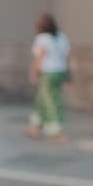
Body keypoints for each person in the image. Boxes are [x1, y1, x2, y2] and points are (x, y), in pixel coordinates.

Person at [26, 13, 70, 142]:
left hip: (48, 72)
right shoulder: (62, 37)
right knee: (42, 99)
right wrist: (67, 72)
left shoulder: (42, 38)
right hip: (59, 71)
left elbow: (40, 57)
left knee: (50, 101)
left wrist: (33, 72)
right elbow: (67, 56)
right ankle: (34, 127)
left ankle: (55, 131)